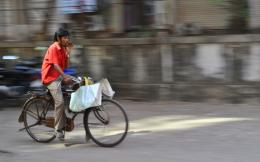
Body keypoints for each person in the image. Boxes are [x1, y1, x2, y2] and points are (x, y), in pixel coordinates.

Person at [41, 28, 73, 141]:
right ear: (59, 38)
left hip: (58, 77)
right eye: (65, 37)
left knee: (77, 84)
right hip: (50, 78)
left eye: (67, 37)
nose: (67, 39)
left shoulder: (63, 49)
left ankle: (65, 120)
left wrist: (68, 54)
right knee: (60, 102)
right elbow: (55, 65)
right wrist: (64, 76)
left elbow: (67, 66)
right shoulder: (54, 47)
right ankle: (58, 129)